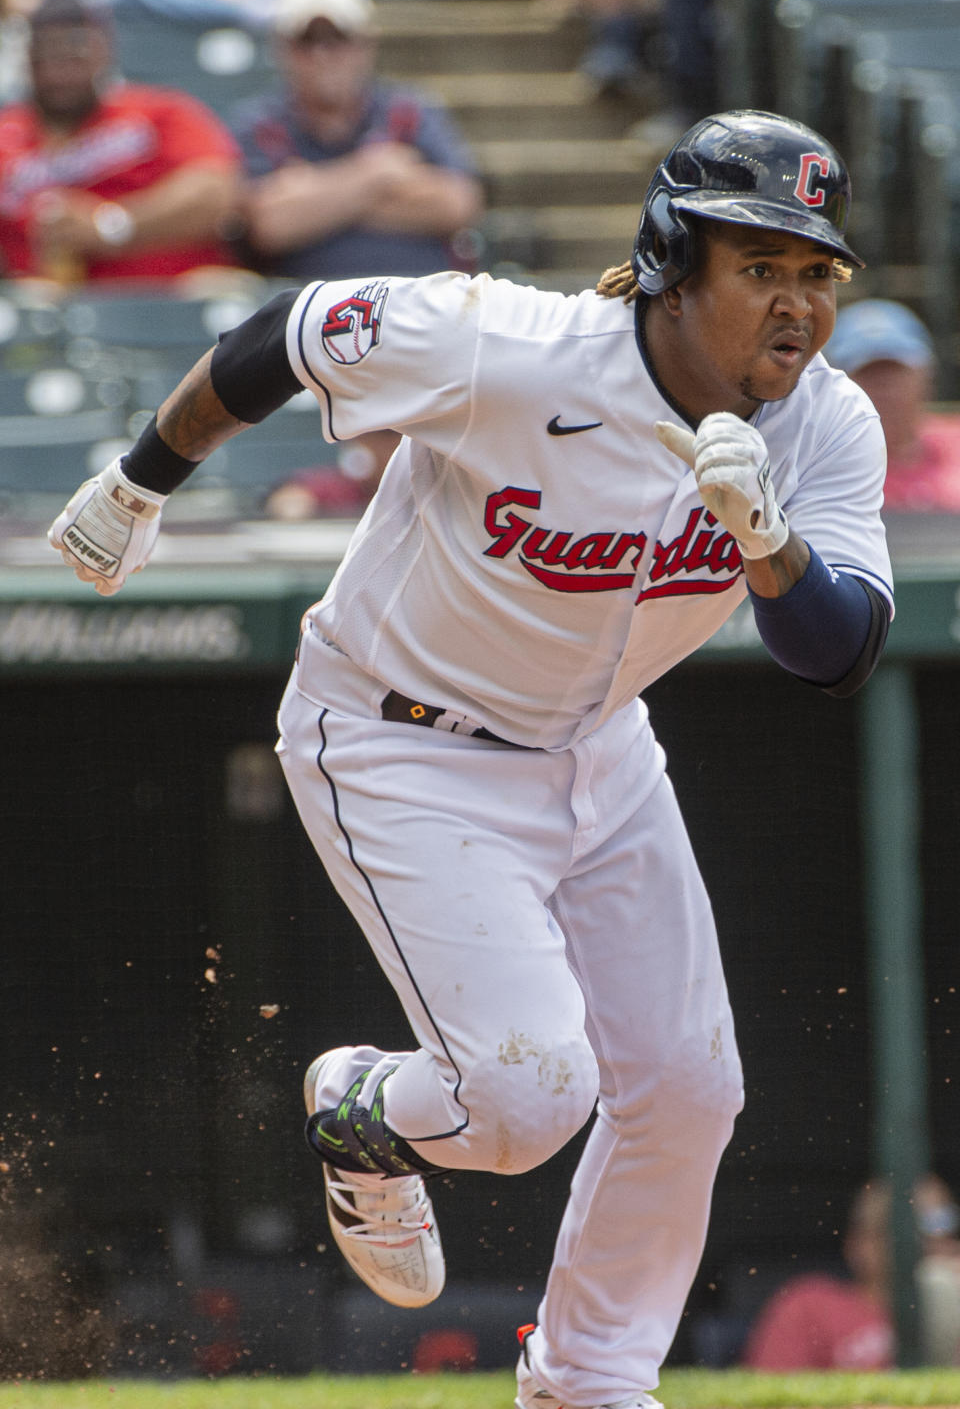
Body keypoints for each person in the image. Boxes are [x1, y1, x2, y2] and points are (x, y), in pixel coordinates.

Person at [47, 108, 894, 1409]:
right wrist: (141, 478)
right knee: (523, 1102)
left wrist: (771, 544)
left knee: (686, 1090)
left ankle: (588, 1383)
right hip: (400, 738)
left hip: (601, 749)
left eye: (814, 274)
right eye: (759, 268)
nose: (796, 304)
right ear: (672, 259)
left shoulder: (823, 425)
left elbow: (835, 654)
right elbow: (290, 336)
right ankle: (364, 1109)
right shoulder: (514, 347)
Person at [231, 0, 484, 281]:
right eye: (306, 40)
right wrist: (377, 173)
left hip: (420, 303)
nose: (322, 54)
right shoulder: (260, 124)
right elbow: (270, 225)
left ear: (366, 44)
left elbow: (457, 205)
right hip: (308, 313)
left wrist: (312, 196)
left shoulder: (409, 111)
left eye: (338, 37)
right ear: (282, 48)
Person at [0, 0, 242, 285]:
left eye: (73, 57)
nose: (58, 72)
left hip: (163, 296)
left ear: (102, 52)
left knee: (215, 285)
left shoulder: (158, 113)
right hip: (43, 306)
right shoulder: (6, 132)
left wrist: (110, 225)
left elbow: (216, 194)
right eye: (46, 58)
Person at [743, 1174, 960, 1369]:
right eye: (897, 1228)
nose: (928, 1242)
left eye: (940, 1224)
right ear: (857, 1243)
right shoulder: (811, 1306)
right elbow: (770, 1396)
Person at [825, 298, 960, 513]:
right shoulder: (822, 472)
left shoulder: (955, 442)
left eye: (895, 371)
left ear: (926, 375)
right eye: (867, 373)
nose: (884, 388)